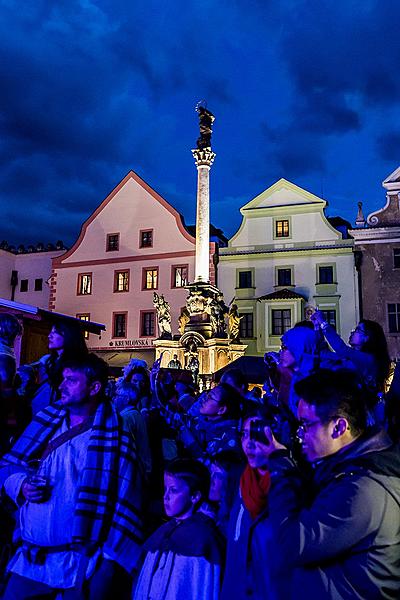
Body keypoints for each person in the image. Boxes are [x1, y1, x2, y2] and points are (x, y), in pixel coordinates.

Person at [0, 353, 143, 599]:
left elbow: (125, 506)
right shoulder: (45, 422)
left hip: (79, 567)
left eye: (71, 381)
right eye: (63, 379)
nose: (62, 386)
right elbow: (10, 466)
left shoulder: (118, 441)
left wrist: (105, 570)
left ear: (94, 387)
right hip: (29, 561)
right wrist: (22, 485)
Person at [262, 369, 400, 599]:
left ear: (339, 427)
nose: (299, 434)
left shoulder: (361, 490)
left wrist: (282, 470)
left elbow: (290, 544)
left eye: (306, 424)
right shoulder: (344, 470)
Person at [132, 458, 225, 600]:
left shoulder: (203, 539)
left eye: (174, 490)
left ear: (194, 496)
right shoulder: (164, 532)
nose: (166, 496)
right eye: (165, 489)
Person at [221, 409, 290, 600]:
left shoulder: (290, 483)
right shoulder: (239, 480)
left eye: (257, 435)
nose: (249, 444)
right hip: (238, 587)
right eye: (244, 434)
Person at [17, 320, 88, 417]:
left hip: (62, 415)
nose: (49, 335)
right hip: (40, 413)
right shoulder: (46, 361)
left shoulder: (79, 365)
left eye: (55, 332)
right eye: (51, 332)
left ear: (68, 335)